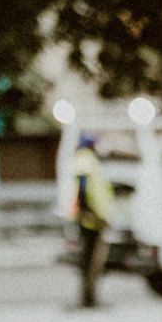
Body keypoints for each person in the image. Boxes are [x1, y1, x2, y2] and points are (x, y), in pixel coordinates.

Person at [68, 133, 115, 310]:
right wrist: (90, 212)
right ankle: (89, 299)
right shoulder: (85, 159)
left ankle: (89, 298)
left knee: (89, 259)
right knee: (91, 260)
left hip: (92, 217)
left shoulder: (85, 159)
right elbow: (83, 188)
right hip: (91, 219)